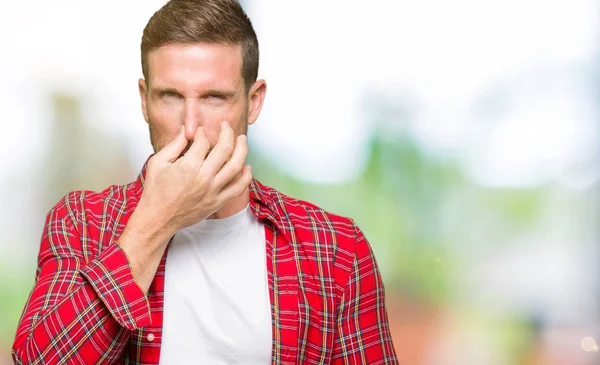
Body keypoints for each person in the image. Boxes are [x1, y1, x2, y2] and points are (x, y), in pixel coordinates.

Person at [12, 0, 398, 364]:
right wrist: (156, 223)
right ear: (144, 100)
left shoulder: (335, 251)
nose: (192, 126)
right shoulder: (81, 222)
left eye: (214, 97)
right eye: (170, 96)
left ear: (254, 101)